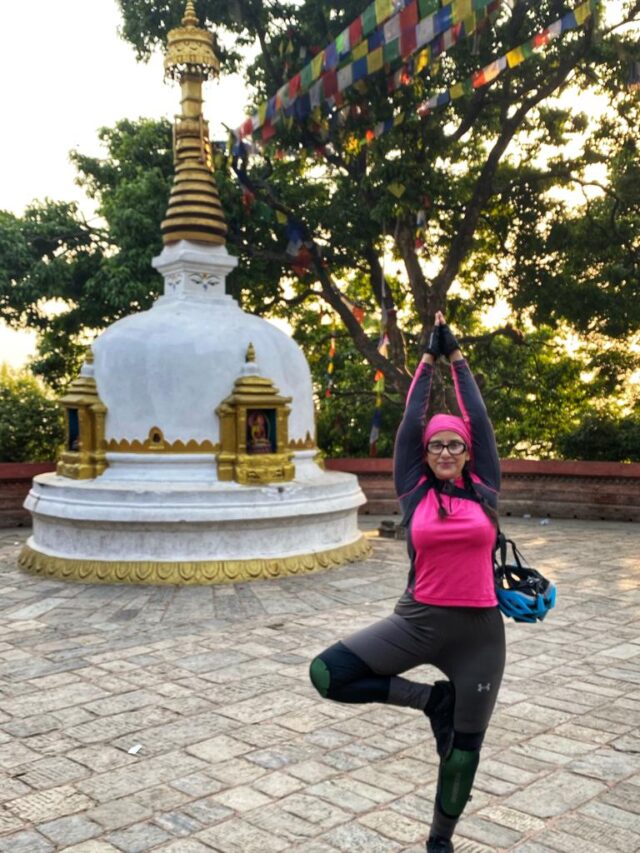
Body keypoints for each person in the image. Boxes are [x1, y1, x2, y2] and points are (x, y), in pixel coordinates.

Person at [309, 312, 505, 853]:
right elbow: (409, 427)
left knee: (464, 752)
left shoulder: (484, 489)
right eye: (437, 446)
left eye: (455, 446)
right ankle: (430, 703)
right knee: (329, 674)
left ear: (468, 454)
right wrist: (425, 358)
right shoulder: (415, 492)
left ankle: (439, 841)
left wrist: (457, 358)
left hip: (479, 637)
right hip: (416, 620)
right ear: (427, 454)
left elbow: (479, 419)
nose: (445, 451)